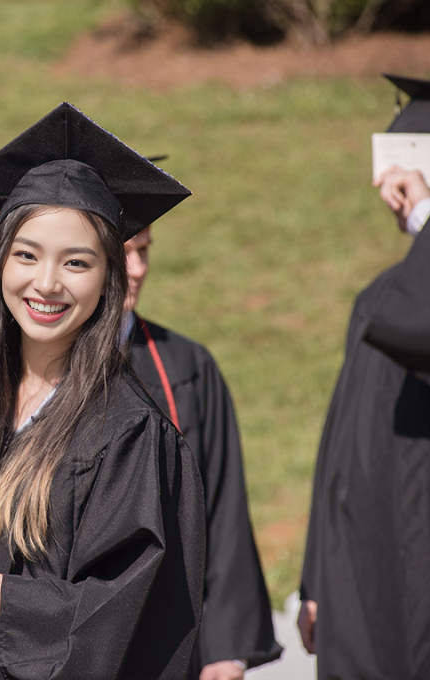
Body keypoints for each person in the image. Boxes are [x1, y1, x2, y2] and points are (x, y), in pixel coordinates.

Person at [0, 103, 206, 679]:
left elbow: (121, 614)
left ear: (109, 278)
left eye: (77, 262)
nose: (47, 283)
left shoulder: (126, 433)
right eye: (26, 254)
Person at [299, 73, 430, 680]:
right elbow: (341, 449)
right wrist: (317, 576)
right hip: (377, 556)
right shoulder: (379, 299)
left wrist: (427, 216)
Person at [124, 226, 282, 679]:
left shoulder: (186, 368)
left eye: (145, 252)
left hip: (175, 638)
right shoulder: (39, 369)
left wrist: (227, 648)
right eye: (125, 253)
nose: (137, 270)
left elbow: (223, 510)